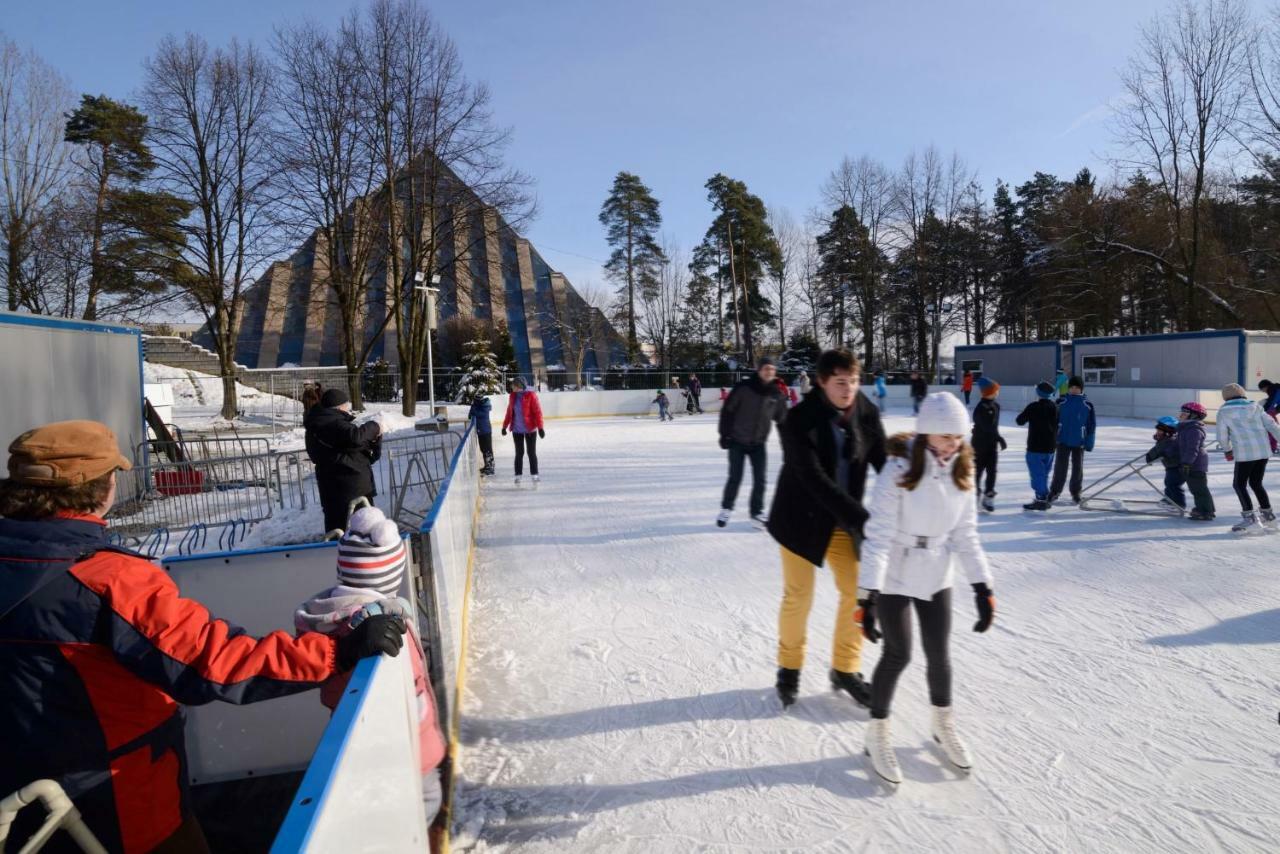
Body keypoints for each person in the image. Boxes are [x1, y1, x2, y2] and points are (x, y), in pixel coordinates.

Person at [0, 421, 407, 854]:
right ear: (103, 487)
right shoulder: (108, 580)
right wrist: (334, 651)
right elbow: (209, 659)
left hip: (20, 798)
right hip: (116, 800)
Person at [857, 393, 995, 784]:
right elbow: (878, 536)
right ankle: (877, 731)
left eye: (957, 437)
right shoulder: (897, 469)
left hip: (937, 572)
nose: (952, 444)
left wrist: (983, 587)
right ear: (926, 432)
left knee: (940, 655)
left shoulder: (962, 472)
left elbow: (966, 535)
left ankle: (942, 723)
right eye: (944, 436)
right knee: (898, 653)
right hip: (896, 572)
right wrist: (868, 595)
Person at [295, 507, 446, 834]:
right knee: (426, 799)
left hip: (372, 751)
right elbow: (406, 691)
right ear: (391, 576)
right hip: (405, 749)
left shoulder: (330, 619)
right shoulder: (378, 631)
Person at [766, 349, 886, 709]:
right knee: (798, 596)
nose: (848, 389)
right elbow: (813, 479)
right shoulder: (798, 420)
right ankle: (789, 667)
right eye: (839, 383)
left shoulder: (866, 411)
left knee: (857, 592)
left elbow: (884, 461)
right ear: (821, 383)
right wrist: (862, 518)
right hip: (800, 521)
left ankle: (845, 669)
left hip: (841, 522)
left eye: (853, 381)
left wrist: (911, 489)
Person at [717, 358, 786, 528]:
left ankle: (756, 513)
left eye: (772, 369)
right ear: (759, 370)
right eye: (766, 368)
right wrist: (724, 434)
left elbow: (784, 421)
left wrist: (788, 446)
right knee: (735, 477)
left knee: (760, 480)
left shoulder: (776, 394)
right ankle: (726, 509)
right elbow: (728, 411)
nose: (769, 372)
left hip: (758, 443)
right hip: (737, 441)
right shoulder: (744, 388)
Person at [305, 388, 383, 535]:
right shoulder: (331, 423)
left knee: (338, 532)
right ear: (340, 406)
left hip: (335, 489)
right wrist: (375, 426)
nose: (349, 407)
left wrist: (375, 442)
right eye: (347, 404)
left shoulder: (318, 424)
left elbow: (362, 451)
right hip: (350, 490)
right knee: (359, 533)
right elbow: (356, 437)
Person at [1216, 384, 1280, 533]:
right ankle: (1269, 516)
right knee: (1256, 483)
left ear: (1226, 397)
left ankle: (1250, 518)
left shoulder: (1224, 411)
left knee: (1239, 484)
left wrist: (1227, 450)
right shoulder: (1256, 407)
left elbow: (1222, 434)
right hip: (1263, 451)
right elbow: (1272, 425)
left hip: (1245, 454)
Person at [1048, 376, 1096, 505]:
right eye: (1072, 387)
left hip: (1079, 441)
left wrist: (1089, 440)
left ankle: (1076, 492)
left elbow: (1091, 425)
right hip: (1062, 439)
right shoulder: (1061, 402)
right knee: (1060, 467)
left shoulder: (1087, 405)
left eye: (1077, 387)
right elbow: (1053, 421)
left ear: (1081, 389)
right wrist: (1053, 437)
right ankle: (1055, 491)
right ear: (1068, 388)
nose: (1074, 390)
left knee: (1077, 468)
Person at [1016, 381, 1059, 511]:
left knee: (1037, 474)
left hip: (1035, 446)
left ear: (1038, 393)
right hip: (1051, 447)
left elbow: (1019, 421)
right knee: (1044, 473)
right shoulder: (1055, 407)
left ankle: (1041, 500)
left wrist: (1027, 411)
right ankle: (1042, 497)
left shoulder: (1033, 406)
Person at [970, 377, 1006, 513]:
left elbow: (993, 427)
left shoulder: (996, 406)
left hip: (991, 445)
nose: (998, 392)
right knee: (977, 471)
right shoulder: (981, 408)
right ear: (988, 392)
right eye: (996, 390)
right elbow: (986, 427)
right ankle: (974, 495)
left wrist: (997, 438)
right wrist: (999, 438)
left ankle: (989, 495)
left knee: (992, 471)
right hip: (979, 445)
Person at [1175, 403, 1215, 521]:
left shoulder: (1194, 429)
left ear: (1194, 416)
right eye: (1182, 411)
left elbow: (1193, 448)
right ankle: (1205, 509)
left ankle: (1206, 511)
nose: (1182, 414)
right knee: (1196, 488)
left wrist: (1187, 463)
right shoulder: (1186, 427)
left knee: (1199, 488)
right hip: (1191, 462)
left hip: (1195, 463)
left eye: (1186, 412)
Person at [501, 377, 545, 485]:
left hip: (530, 429)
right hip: (517, 430)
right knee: (519, 453)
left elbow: (538, 412)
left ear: (519, 386)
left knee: (531, 453)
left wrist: (540, 428)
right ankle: (518, 475)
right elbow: (509, 412)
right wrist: (504, 426)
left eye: (513, 385)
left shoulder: (531, 395)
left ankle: (535, 475)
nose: (512, 387)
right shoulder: (513, 396)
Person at [1145, 416, 1185, 511]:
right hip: (1172, 466)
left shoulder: (1170, 441)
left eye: (1160, 431)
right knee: (1169, 483)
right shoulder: (1165, 440)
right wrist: (1150, 456)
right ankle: (1169, 499)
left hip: (1177, 468)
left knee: (1173, 485)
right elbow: (1157, 450)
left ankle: (1178, 504)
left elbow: (1161, 451)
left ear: (1168, 432)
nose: (1157, 433)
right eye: (1157, 431)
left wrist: (1151, 457)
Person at [468, 393, 495, 476]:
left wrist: (473, 407)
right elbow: (470, 416)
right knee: (483, 449)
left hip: (485, 431)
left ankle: (490, 468)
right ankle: (487, 466)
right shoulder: (479, 407)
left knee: (487, 450)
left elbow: (474, 413)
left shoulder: (484, 407)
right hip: (481, 431)